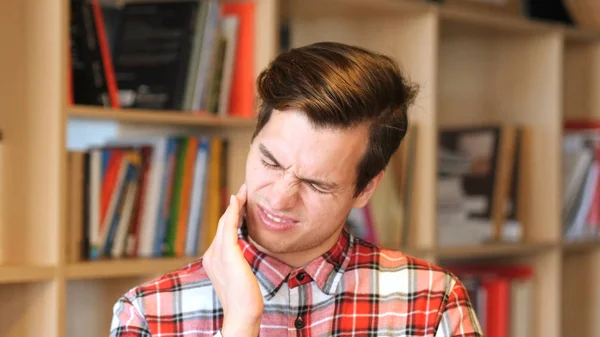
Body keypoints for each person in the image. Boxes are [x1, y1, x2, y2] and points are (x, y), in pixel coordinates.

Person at [109, 41, 483, 337]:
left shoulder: (431, 301)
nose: (279, 198)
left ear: (365, 189)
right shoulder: (149, 313)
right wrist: (240, 325)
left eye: (317, 184)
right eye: (270, 162)